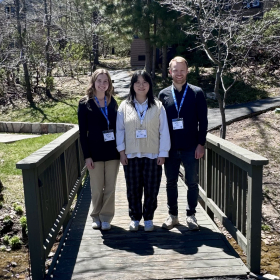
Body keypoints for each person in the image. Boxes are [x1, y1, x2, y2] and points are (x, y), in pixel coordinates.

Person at [116, 70, 170, 232]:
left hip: (153, 154)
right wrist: (121, 151)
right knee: (133, 188)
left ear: (149, 85)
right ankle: (134, 217)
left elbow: (164, 131)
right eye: (137, 82)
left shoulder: (158, 106)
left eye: (144, 82)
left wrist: (163, 153)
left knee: (152, 188)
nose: (141, 85)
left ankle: (148, 218)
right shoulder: (124, 106)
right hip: (131, 154)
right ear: (132, 85)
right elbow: (119, 130)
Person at [158, 56, 208, 230]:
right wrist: (161, 149)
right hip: (170, 149)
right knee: (170, 182)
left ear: (187, 71)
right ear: (170, 72)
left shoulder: (197, 93)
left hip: (191, 147)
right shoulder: (163, 94)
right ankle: (173, 215)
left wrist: (201, 144)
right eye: (175, 70)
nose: (179, 74)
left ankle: (191, 215)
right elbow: (160, 124)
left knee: (192, 182)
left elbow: (204, 121)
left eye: (182, 70)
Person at [78, 69, 120, 231]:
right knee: (96, 187)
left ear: (109, 84)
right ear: (93, 82)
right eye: (99, 81)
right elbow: (83, 133)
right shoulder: (84, 103)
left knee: (110, 187)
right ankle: (95, 216)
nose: (102, 84)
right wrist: (86, 156)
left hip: (112, 152)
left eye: (106, 81)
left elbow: (118, 128)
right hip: (94, 153)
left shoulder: (113, 102)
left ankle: (106, 217)